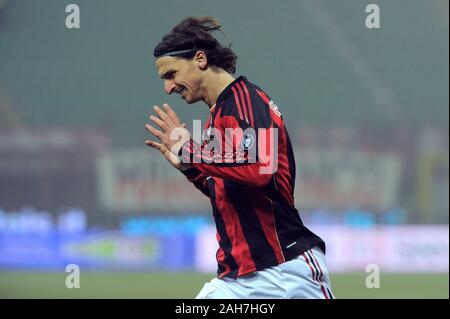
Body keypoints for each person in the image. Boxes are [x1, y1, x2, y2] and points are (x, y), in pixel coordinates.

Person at [145, 16, 334, 299]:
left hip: (286, 273)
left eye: (171, 75)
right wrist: (191, 169)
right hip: (238, 280)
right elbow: (232, 189)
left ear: (199, 59)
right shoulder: (218, 115)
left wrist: (191, 151)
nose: (168, 88)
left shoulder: (246, 100)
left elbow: (260, 168)